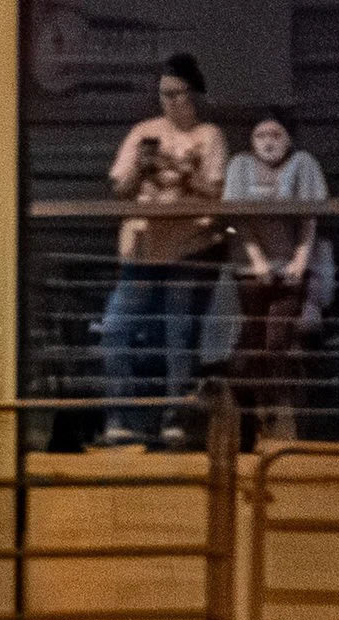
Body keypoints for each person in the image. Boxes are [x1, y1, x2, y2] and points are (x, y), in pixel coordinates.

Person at [98, 53, 228, 448]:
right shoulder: (143, 132)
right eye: (163, 94)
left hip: (187, 250)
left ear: (194, 94)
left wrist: (184, 171)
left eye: (176, 93)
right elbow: (119, 188)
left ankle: (176, 416)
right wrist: (142, 166)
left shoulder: (209, 136)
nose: (169, 102)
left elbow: (219, 193)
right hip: (142, 249)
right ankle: (121, 415)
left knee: (180, 333)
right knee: (116, 329)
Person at [222, 110, 327, 443]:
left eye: (275, 135)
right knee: (250, 342)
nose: (268, 142)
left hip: (292, 268)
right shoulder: (239, 165)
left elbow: (311, 217)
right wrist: (257, 261)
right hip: (250, 268)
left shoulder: (303, 164)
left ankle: (281, 418)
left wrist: (300, 260)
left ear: (289, 138)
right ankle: (252, 419)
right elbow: (237, 219)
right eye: (261, 135)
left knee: (276, 343)